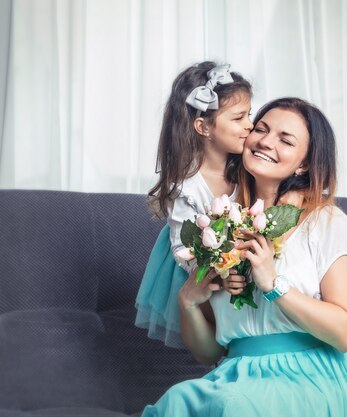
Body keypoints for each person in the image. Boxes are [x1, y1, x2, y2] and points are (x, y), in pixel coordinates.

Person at [141, 98, 347, 416]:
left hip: (311, 378)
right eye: (260, 129)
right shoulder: (219, 225)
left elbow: (345, 332)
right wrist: (189, 301)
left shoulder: (325, 222)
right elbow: (210, 352)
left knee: (231, 407)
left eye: (285, 139)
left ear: (304, 163)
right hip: (236, 375)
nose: (265, 141)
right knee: (179, 401)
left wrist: (273, 284)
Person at [135, 61, 253, 348]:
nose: (250, 125)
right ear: (203, 127)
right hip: (202, 270)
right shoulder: (187, 187)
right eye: (238, 118)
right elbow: (183, 250)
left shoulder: (247, 169)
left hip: (244, 266)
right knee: (218, 330)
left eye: (249, 114)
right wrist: (222, 272)